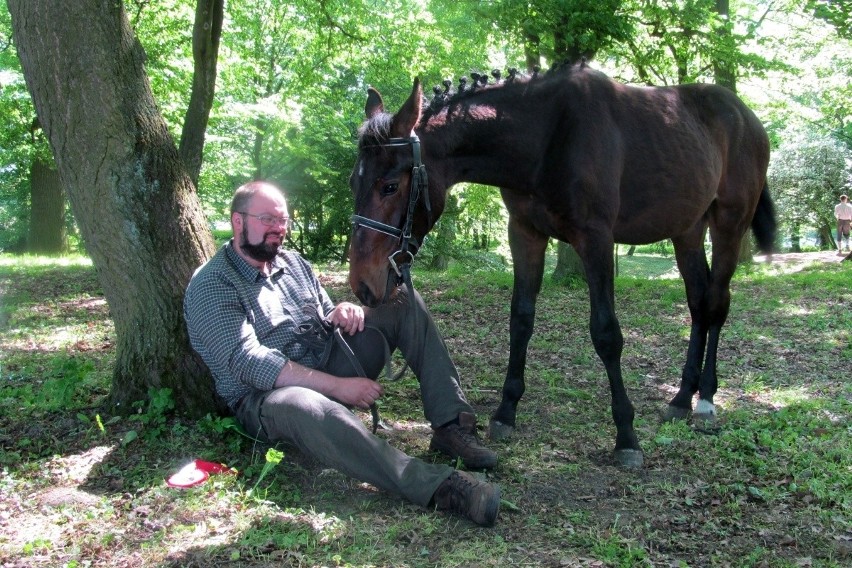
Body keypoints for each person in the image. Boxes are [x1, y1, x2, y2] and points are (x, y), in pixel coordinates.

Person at [183, 180, 501, 526]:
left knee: (404, 300)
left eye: (283, 220)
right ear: (238, 221)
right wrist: (338, 387)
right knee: (301, 403)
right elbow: (248, 362)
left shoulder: (293, 263)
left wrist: (347, 311)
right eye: (267, 219)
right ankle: (441, 486)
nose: (278, 229)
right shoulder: (212, 284)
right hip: (268, 402)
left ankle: (450, 427)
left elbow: (325, 314)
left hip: (328, 361)